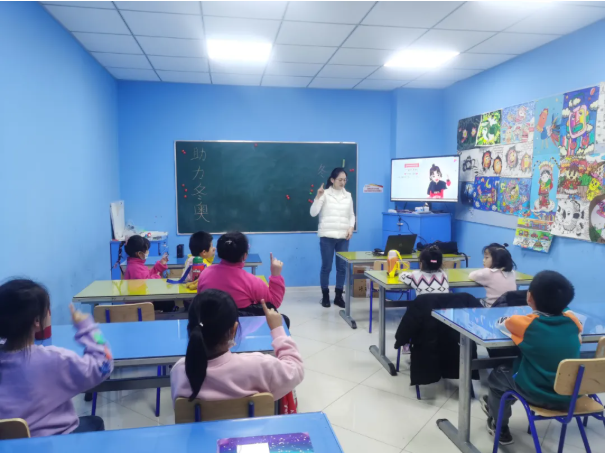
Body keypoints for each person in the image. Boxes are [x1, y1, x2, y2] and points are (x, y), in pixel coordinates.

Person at [0, 279, 113, 437]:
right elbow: (103, 365)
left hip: (8, 444)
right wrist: (87, 328)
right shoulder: (54, 360)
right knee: (95, 422)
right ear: (37, 321)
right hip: (55, 442)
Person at [481, 271, 581, 445]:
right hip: (570, 395)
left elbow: (501, 323)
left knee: (499, 375)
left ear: (529, 297)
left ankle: (500, 427)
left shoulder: (525, 324)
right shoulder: (574, 321)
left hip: (538, 394)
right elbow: (567, 311)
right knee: (518, 371)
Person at [170, 289, 304, 403]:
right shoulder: (259, 365)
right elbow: (296, 369)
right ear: (233, 330)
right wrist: (278, 330)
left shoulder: (179, 371)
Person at [197, 232, 289, 327]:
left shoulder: (204, 273)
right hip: (240, 328)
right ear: (245, 255)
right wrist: (276, 275)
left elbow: (200, 298)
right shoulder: (252, 281)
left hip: (210, 326)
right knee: (283, 319)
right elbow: (274, 303)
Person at [310, 167, 355, 308]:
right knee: (327, 267)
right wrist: (317, 197)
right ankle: (325, 296)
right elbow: (313, 213)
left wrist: (351, 227)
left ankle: (338, 296)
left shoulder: (348, 195)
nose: (343, 182)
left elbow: (351, 215)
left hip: (343, 237)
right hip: (327, 236)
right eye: (340, 180)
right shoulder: (324, 194)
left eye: (344, 180)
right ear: (332, 180)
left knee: (341, 267)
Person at [469, 243, 517, 307]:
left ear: (497, 259)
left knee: (465, 297)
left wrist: (484, 270)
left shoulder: (488, 273)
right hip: (508, 309)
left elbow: (471, 275)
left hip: (491, 309)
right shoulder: (512, 273)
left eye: (486, 258)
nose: (483, 260)